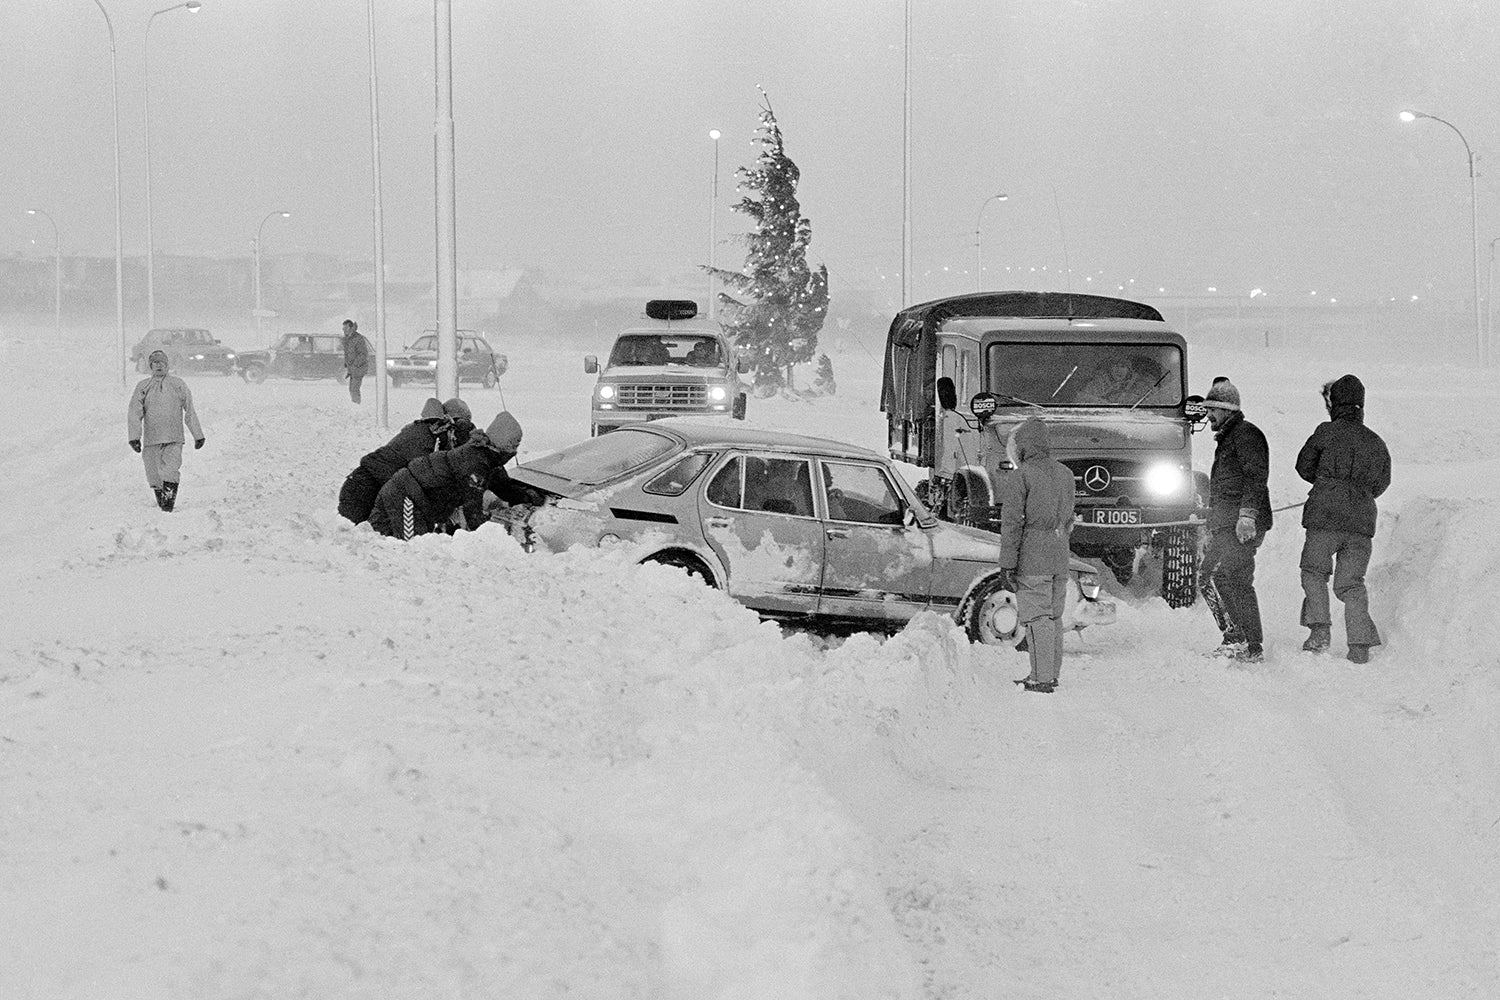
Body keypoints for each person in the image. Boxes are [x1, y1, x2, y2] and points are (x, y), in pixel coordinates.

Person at [1295, 374, 1392, 663]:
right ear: (1361, 405)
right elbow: (1382, 483)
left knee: (1314, 572)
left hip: (1324, 517)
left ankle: (1319, 632)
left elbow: (1303, 466)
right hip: (1361, 523)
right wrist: (1358, 493)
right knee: (1351, 584)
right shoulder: (1376, 442)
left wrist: (1327, 484)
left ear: (1334, 403)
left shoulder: (1325, 432)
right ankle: (1360, 646)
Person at [997, 417, 1076, 693]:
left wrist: (1007, 564)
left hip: (1033, 558)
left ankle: (1040, 679)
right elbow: (1069, 520)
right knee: (1053, 618)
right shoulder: (1065, 474)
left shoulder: (1022, 475)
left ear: (1022, 446)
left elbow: (1013, 523)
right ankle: (1049, 674)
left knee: (1036, 618)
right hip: (1059, 556)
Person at [369, 411, 536, 540]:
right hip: (407, 496)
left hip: (407, 491)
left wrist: (528, 497)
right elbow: (473, 513)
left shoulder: (484, 455)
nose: (515, 450)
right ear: (503, 444)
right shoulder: (476, 463)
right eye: (515, 444)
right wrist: (495, 539)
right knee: (413, 550)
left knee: (384, 546)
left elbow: (503, 486)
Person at [1197, 376, 1272, 663]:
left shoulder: (1246, 435)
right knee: (1220, 577)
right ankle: (1241, 639)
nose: (1208, 415)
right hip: (1227, 523)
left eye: (1212, 409)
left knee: (1225, 577)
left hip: (1240, 525)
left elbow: (1256, 478)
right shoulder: (1231, 438)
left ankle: (1245, 642)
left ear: (1227, 409)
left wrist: (1247, 516)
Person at [337, 397, 451, 524]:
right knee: (353, 534)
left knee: (353, 533)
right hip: (364, 490)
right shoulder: (425, 441)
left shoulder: (413, 430)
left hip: (359, 482)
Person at [126, 349, 205, 512]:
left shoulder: (178, 384)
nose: (158, 365)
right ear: (150, 366)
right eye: (155, 363)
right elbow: (135, 412)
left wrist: (198, 435)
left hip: (173, 438)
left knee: (170, 471)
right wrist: (134, 437)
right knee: (153, 475)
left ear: (167, 365)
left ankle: (168, 506)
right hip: (152, 439)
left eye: (162, 362)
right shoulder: (143, 386)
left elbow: (189, 410)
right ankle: (162, 502)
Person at [341, 319, 372, 404]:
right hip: (353, 368)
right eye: (343, 328)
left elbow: (363, 354)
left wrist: (355, 365)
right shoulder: (348, 339)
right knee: (352, 389)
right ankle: (355, 404)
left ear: (350, 328)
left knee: (354, 389)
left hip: (359, 368)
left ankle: (356, 405)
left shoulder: (358, 339)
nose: (343, 330)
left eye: (345, 328)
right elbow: (348, 353)